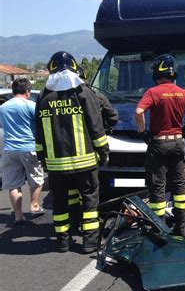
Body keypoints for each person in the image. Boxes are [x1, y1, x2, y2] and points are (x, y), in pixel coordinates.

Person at [35, 51, 109, 253]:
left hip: (56, 165)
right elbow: (96, 127)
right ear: (75, 68)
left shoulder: (43, 96)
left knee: (59, 204)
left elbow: (39, 133)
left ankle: (62, 242)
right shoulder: (83, 93)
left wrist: (43, 159)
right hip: (85, 163)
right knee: (89, 201)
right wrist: (104, 152)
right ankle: (90, 242)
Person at [135, 53, 185, 237]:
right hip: (177, 143)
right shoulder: (182, 93)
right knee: (179, 186)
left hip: (158, 144)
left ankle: (159, 230)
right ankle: (181, 228)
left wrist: (143, 132)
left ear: (157, 73)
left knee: (157, 187)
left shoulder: (153, 92)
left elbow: (139, 111)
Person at [0, 78, 44, 224]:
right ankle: (34, 205)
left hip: (9, 149)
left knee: (13, 184)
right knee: (36, 179)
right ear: (28, 91)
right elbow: (40, 124)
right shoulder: (31, 105)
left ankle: (18, 215)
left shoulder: (3, 107)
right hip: (29, 147)